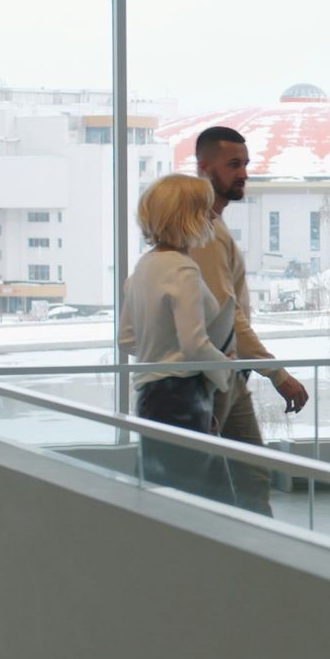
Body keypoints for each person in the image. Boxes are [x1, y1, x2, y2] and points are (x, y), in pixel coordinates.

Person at [190, 125, 310, 515]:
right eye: (233, 165)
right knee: (234, 480)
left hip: (228, 372)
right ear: (205, 168)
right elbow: (228, 316)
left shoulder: (214, 223)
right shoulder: (204, 231)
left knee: (250, 476)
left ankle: (254, 546)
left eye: (245, 164)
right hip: (213, 374)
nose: (243, 173)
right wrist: (276, 373)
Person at [118, 173, 240, 505]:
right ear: (189, 217)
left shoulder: (143, 268)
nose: (212, 217)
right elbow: (194, 344)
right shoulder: (183, 270)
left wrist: (159, 348)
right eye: (205, 209)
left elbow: (126, 340)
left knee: (163, 496)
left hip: (150, 397)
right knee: (202, 500)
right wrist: (225, 367)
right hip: (182, 398)